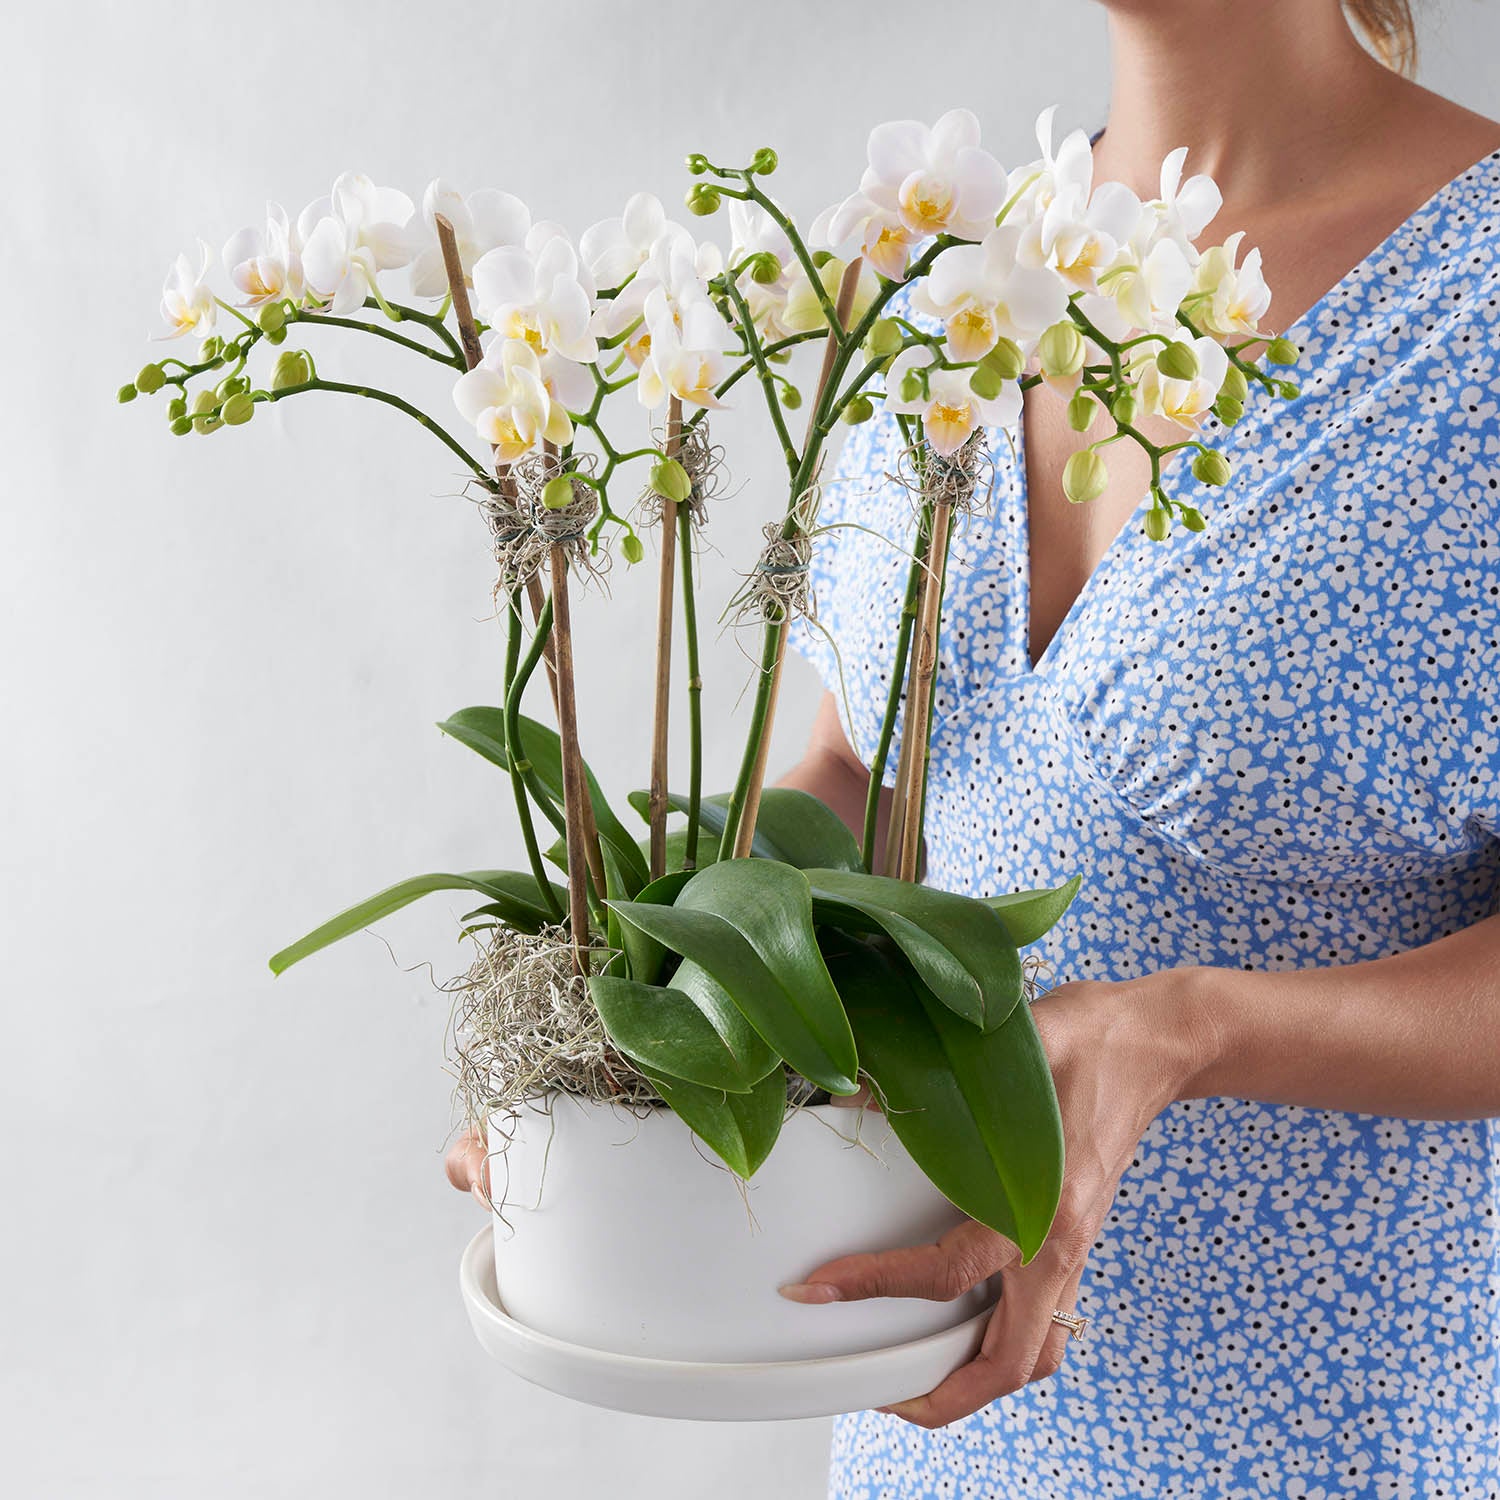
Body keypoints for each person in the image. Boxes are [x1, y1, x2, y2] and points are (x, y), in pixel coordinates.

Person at [451, 2, 1500, 1492]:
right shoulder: (949, 274)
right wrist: (619, 1024)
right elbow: (856, 786)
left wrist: (1187, 1029)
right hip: (939, 1416)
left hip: (1342, 1430)